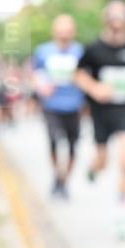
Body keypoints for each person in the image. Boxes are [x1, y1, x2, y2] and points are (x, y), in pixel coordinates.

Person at [75, 0, 125, 239]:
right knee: (103, 162)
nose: (117, 23)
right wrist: (95, 88)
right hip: (100, 113)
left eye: (121, 18)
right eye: (113, 18)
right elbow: (79, 74)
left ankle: (122, 213)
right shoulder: (93, 49)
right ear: (106, 20)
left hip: (124, 110)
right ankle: (92, 169)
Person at [32, 15, 85, 200]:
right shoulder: (43, 51)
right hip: (52, 105)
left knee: (72, 147)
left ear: (73, 31)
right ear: (54, 31)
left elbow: (86, 76)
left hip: (74, 105)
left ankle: (64, 181)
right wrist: (41, 86)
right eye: (61, 29)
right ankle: (57, 175)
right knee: (54, 142)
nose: (64, 33)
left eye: (68, 29)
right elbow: (36, 74)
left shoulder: (80, 51)